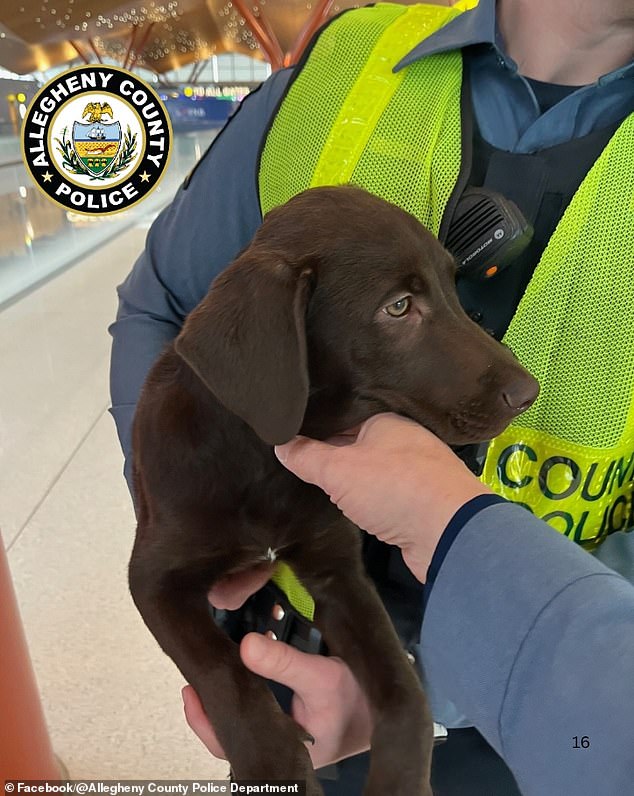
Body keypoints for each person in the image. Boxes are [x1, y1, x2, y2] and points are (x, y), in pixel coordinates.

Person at [109, 0, 634, 792]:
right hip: (301, 691)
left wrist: (434, 686)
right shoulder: (342, 63)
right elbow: (166, 310)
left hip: (578, 731)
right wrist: (188, 515)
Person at [180, 412, 634, 796]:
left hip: (500, 736)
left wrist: (408, 680)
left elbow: (610, 751)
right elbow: (163, 314)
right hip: (282, 660)